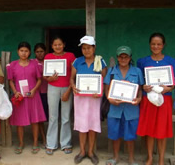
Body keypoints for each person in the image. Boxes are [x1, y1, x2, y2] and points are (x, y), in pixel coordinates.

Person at [136, 33, 175, 165]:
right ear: (150, 45)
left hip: (164, 100)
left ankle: (161, 159)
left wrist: (169, 89)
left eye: (159, 44)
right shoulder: (142, 61)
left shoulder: (172, 62)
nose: (156, 46)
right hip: (148, 99)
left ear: (163, 45)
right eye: (153, 44)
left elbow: (174, 82)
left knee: (162, 130)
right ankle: (150, 158)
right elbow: (140, 82)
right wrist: (144, 87)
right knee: (149, 130)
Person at [104, 46, 144, 165]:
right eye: (121, 56)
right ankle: (115, 157)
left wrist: (139, 99)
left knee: (130, 135)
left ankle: (131, 159)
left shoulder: (137, 71)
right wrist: (109, 99)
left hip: (131, 109)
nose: (123, 59)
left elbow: (140, 89)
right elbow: (106, 89)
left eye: (126, 56)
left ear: (130, 58)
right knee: (115, 134)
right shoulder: (111, 71)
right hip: (115, 108)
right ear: (117, 58)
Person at [70, 36, 107, 165]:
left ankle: (90, 151)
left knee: (92, 124)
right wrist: (73, 86)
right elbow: (71, 78)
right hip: (80, 97)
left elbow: (104, 79)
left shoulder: (100, 61)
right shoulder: (77, 62)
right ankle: (82, 151)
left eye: (89, 48)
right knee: (82, 125)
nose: (86, 50)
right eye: (84, 48)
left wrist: (100, 90)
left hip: (94, 98)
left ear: (94, 48)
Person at [7, 42, 46, 154]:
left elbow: (39, 79)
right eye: (21, 51)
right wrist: (15, 92)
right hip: (20, 97)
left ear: (29, 52)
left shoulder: (35, 64)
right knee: (20, 121)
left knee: (35, 120)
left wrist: (34, 90)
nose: (24, 53)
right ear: (18, 52)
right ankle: (21, 143)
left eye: (26, 51)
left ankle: (35, 143)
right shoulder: (13, 65)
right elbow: (11, 81)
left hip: (33, 96)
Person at [44, 36, 76, 155]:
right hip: (52, 87)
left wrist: (69, 90)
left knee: (66, 117)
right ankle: (51, 143)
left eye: (60, 44)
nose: (58, 47)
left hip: (67, 87)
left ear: (64, 44)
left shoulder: (70, 56)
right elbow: (44, 75)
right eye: (55, 45)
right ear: (52, 46)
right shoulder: (48, 57)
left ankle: (66, 143)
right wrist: (49, 78)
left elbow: (74, 74)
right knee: (53, 116)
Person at [34, 43, 48, 148]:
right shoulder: (32, 63)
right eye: (37, 52)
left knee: (48, 116)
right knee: (40, 117)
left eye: (41, 51)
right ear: (34, 53)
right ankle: (44, 138)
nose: (39, 54)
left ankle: (47, 137)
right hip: (36, 92)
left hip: (48, 92)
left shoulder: (49, 62)